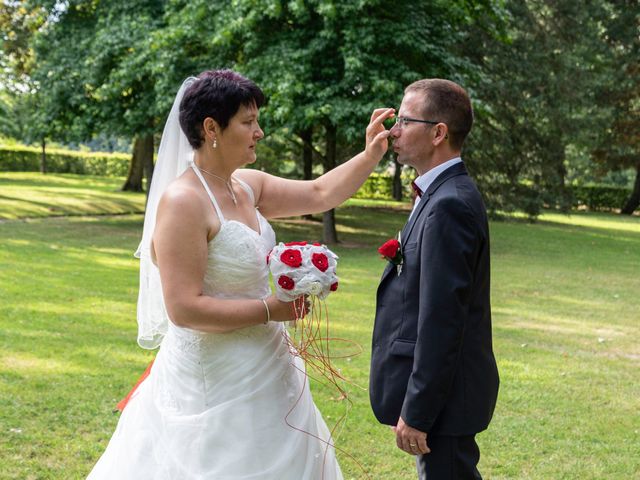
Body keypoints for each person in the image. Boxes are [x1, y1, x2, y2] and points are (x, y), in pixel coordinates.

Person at [87, 69, 394, 480]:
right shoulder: (183, 201)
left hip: (269, 365)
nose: (260, 132)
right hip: (213, 378)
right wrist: (270, 309)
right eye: (248, 122)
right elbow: (183, 308)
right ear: (211, 127)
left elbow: (322, 193)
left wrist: (371, 153)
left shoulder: (246, 186)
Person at [369, 79, 499, 479]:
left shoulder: (449, 205)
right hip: (446, 396)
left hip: (446, 400)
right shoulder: (438, 193)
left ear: (438, 132)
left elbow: (443, 320)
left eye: (405, 120)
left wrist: (419, 409)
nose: (395, 130)